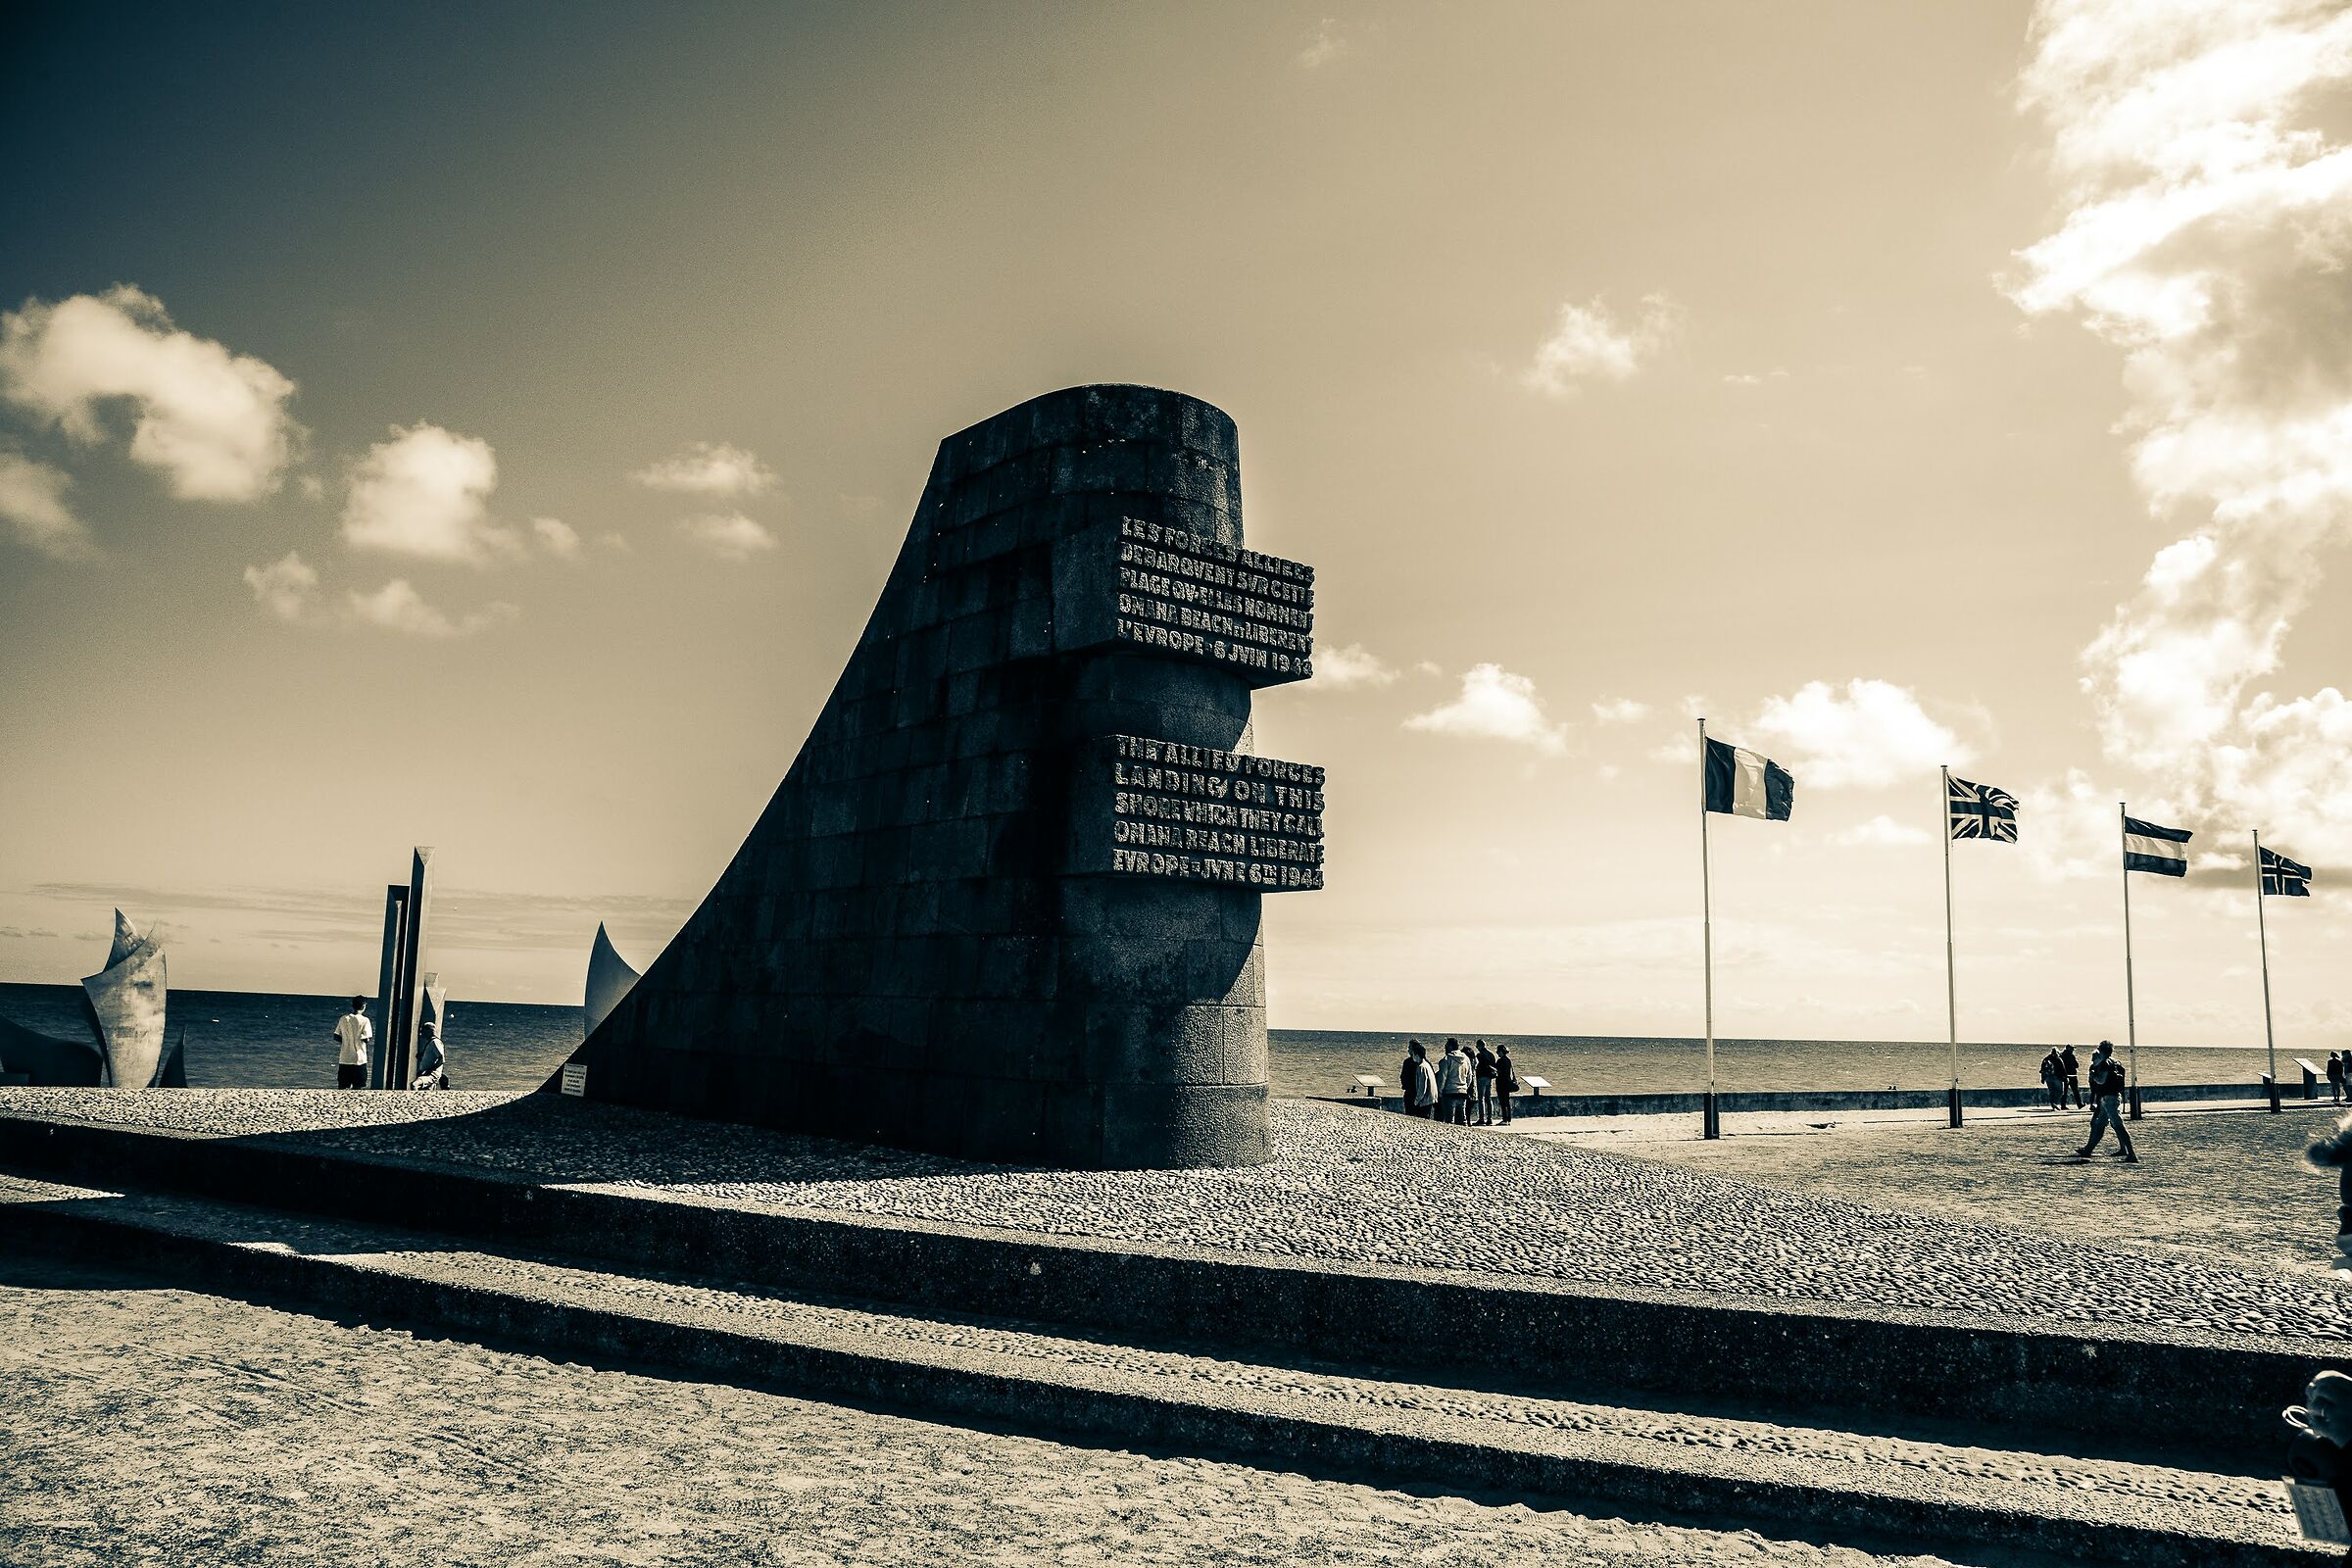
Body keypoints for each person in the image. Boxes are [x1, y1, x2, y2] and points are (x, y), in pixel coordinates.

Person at [2076, 1040, 2136, 1163]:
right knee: (2099, 1125)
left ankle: (2131, 1154)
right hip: (2113, 1097)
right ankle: (2088, 1150)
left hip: (2108, 1098)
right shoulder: (2116, 1063)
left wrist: (2093, 1076)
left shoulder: (2105, 1064)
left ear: (2101, 1050)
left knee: (2118, 1126)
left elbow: (2101, 1080)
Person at [331, 996, 371, 1090]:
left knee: (342, 1086)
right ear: (363, 1007)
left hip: (345, 1057)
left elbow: (336, 1036)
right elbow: (366, 1039)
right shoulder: (365, 1020)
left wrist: (346, 1041)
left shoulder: (343, 1018)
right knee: (358, 1086)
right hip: (359, 1058)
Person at [1436, 1038, 1472, 1126]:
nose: (1445, 1048)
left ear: (1450, 1046)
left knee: (1449, 1121)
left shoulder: (1446, 1059)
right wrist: (1465, 1087)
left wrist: (1440, 1092)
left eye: (1446, 1046)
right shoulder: (1466, 1059)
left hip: (1449, 1092)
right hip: (1462, 1092)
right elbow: (1469, 1076)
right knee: (1462, 1120)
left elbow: (1442, 1078)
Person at [410, 1018, 450, 1091]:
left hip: (431, 1074)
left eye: (423, 1031)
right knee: (426, 1092)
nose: (421, 1034)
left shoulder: (435, 1042)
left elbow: (441, 1059)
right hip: (426, 1073)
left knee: (414, 1085)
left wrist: (429, 1070)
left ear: (429, 1031)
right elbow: (431, 1059)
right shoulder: (430, 1042)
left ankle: (414, 1099)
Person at [1401, 1041, 1437, 1118]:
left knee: (1411, 1115)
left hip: (1413, 1093)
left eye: (1410, 1048)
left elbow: (1404, 1078)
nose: (1408, 1050)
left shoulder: (1416, 1064)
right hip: (1425, 1097)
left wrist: (1416, 1100)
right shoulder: (1427, 1063)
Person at [1473, 1041, 1498, 1126]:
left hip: (1481, 1077)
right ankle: (1490, 1118)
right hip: (1489, 1078)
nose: (1476, 1047)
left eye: (1477, 1046)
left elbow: (1476, 1065)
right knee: (1488, 1098)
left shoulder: (1479, 1055)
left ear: (1480, 1046)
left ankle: (1481, 1119)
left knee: (1481, 1098)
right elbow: (1494, 1066)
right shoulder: (1491, 1055)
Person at [1494, 1044, 1518, 1125]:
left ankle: (1504, 1119)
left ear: (1501, 1052)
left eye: (1497, 1051)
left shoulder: (1500, 1061)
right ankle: (1508, 1119)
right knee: (1507, 1102)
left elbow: (1497, 1071)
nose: (1497, 1053)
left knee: (1502, 1102)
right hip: (1508, 1083)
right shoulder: (1508, 1060)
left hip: (1501, 1083)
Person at [2060, 1043, 2083, 1109]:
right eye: (2072, 1048)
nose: (2073, 1050)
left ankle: (2063, 1105)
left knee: (2065, 1091)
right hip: (2072, 1075)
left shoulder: (2062, 1055)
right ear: (2069, 1048)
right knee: (2075, 1091)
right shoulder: (2071, 1056)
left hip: (2065, 1075)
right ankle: (2079, 1104)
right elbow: (2076, 1065)